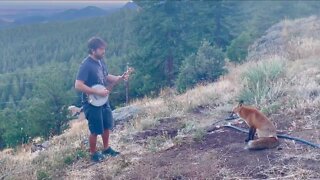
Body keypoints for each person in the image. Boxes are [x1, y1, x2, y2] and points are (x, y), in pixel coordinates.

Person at [75, 37, 129, 162]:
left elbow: (106, 76)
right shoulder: (86, 64)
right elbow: (78, 85)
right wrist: (97, 91)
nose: (103, 51)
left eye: (104, 48)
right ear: (93, 50)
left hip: (103, 100)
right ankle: (93, 154)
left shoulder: (101, 61)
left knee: (106, 125)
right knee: (95, 129)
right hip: (91, 102)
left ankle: (106, 148)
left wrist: (119, 78)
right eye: (101, 49)